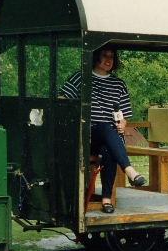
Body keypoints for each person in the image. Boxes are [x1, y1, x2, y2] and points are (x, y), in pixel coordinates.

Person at [60, 48, 146, 213]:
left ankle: (106, 199)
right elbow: (63, 98)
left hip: (109, 137)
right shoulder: (81, 78)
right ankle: (130, 170)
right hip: (87, 135)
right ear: (95, 57)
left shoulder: (118, 84)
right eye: (105, 56)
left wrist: (122, 124)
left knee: (109, 149)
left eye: (112, 56)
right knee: (105, 127)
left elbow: (124, 115)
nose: (109, 60)